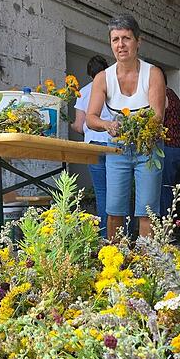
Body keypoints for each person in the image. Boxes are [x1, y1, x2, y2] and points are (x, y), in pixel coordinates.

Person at [86, 14, 166, 239]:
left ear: (138, 42)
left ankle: (147, 262)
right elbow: (90, 118)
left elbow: (157, 117)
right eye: (115, 39)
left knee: (147, 211)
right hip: (118, 147)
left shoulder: (153, 74)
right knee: (114, 210)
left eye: (126, 38)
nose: (120, 45)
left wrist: (137, 128)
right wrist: (108, 125)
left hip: (149, 147)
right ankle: (116, 260)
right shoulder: (103, 77)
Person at [72, 55, 110, 236]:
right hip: (113, 144)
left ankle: (105, 237)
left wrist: (70, 125)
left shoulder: (84, 92)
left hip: (93, 146)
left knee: (101, 192)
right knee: (119, 191)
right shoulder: (113, 89)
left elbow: (79, 125)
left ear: (89, 73)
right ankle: (123, 234)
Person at [160, 82, 180, 218]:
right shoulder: (173, 94)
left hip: (169, 146)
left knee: (165, 188)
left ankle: (165, 230)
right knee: (172, 189)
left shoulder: (162, 94)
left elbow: (157, 119)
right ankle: (173, 225)